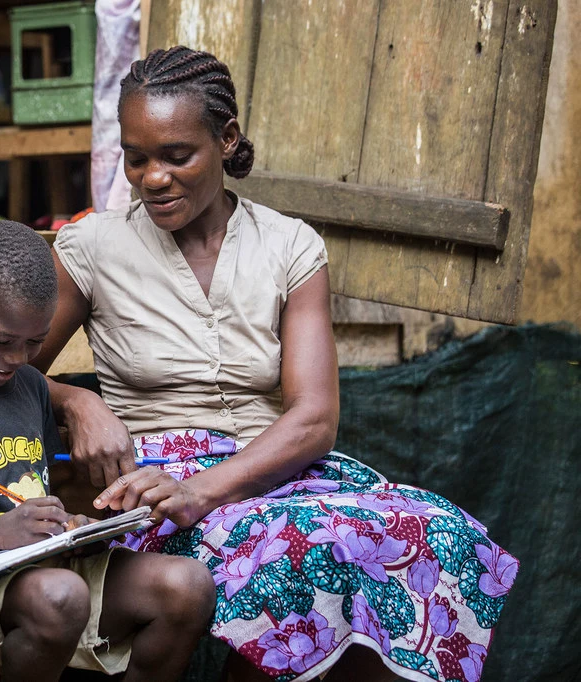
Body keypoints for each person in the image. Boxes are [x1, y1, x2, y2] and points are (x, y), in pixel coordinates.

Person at [31, 46, 519, 682]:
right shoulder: (92, 248)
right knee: (303, 548)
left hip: (275, 472)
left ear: (226, 140)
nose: (154, 177)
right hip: (153, 486)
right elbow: (5, 368)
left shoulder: (290, 246)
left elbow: (313, 419)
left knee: (435, 535)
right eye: (137, 157)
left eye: (178, 155)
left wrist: (204, 489)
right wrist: (78, 400)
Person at [0, 220, 216, 682]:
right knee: (60, 596)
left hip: (44, 572)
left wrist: (72, 527)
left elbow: (32, 489)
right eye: (1, 341)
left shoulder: (28, 387)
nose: (18, 358)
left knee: (188, 586)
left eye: (35, 342)